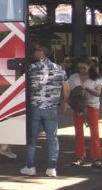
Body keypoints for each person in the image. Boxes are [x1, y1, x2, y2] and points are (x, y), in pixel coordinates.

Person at [21, 44, 69, 178]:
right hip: (51, 109)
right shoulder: (60, 69)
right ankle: (51, 168)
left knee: (31, 138)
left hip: (34, 108)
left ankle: (30, 167)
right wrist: (64, 102)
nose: (33, 53)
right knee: (52, 139)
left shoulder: (31, 68)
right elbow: (66, 88)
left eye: (35, 50)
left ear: (42, 52)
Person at [67, 58, 102, 168]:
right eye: (79, 68)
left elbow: (98, 93)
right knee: (78, 132)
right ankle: (80, 157)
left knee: (94, 132)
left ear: (89, 66)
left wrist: (86, 88)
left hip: (92, 106)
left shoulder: (96, 78)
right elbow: (68, 90)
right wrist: (66, 102)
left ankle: (96, 158)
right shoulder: (73, 77)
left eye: (84, 68)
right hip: (78, 106)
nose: (82, 70)